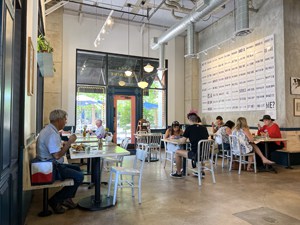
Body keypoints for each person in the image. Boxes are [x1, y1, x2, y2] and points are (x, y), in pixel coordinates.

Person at [37, 109, 84, 214]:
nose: (66, 122)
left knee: (77, 169)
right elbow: (57, 156)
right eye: (65, 119)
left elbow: (54, 150)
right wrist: (69, 142)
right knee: (79, 176)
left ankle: (67, 198)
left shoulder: (49, 130)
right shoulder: (52, 134)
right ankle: (55, 200)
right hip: (51, 168)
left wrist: (64, 144)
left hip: (47, 164)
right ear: (58, 120)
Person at [170, 113, 209, 178]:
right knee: (199, 151)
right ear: (197, 120)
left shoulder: (189, 128)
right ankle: (201, 171)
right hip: (205, 154)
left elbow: (183, 141)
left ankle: (179, 172)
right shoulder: (204, 128)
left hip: (195, 154)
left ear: (189, 120)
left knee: (177, 152)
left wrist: (178, 139)